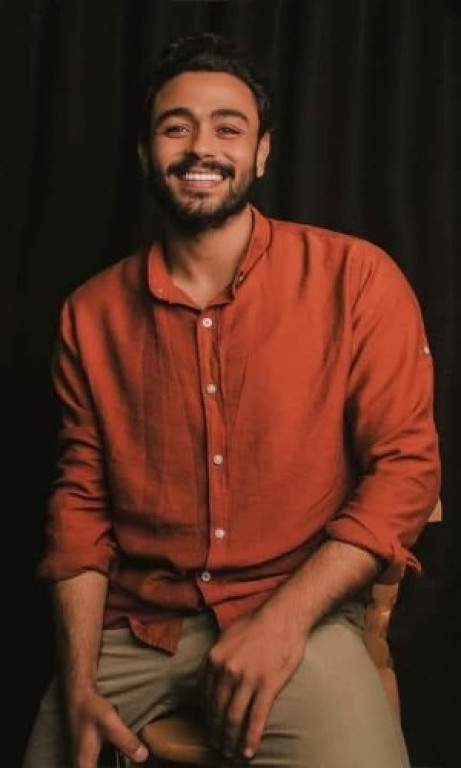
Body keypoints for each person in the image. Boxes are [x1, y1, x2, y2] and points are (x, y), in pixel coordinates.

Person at [23, 32, 440, 768]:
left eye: (227, 127)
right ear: (145, 154)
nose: (200, 147)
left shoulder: (357, 278)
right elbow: (80, 508)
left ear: (262, 152)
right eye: (175, 127)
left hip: (301, 616)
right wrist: (79, 682)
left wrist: (282, 623)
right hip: (137, 630)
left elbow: (406, 470)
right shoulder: (89, 315)